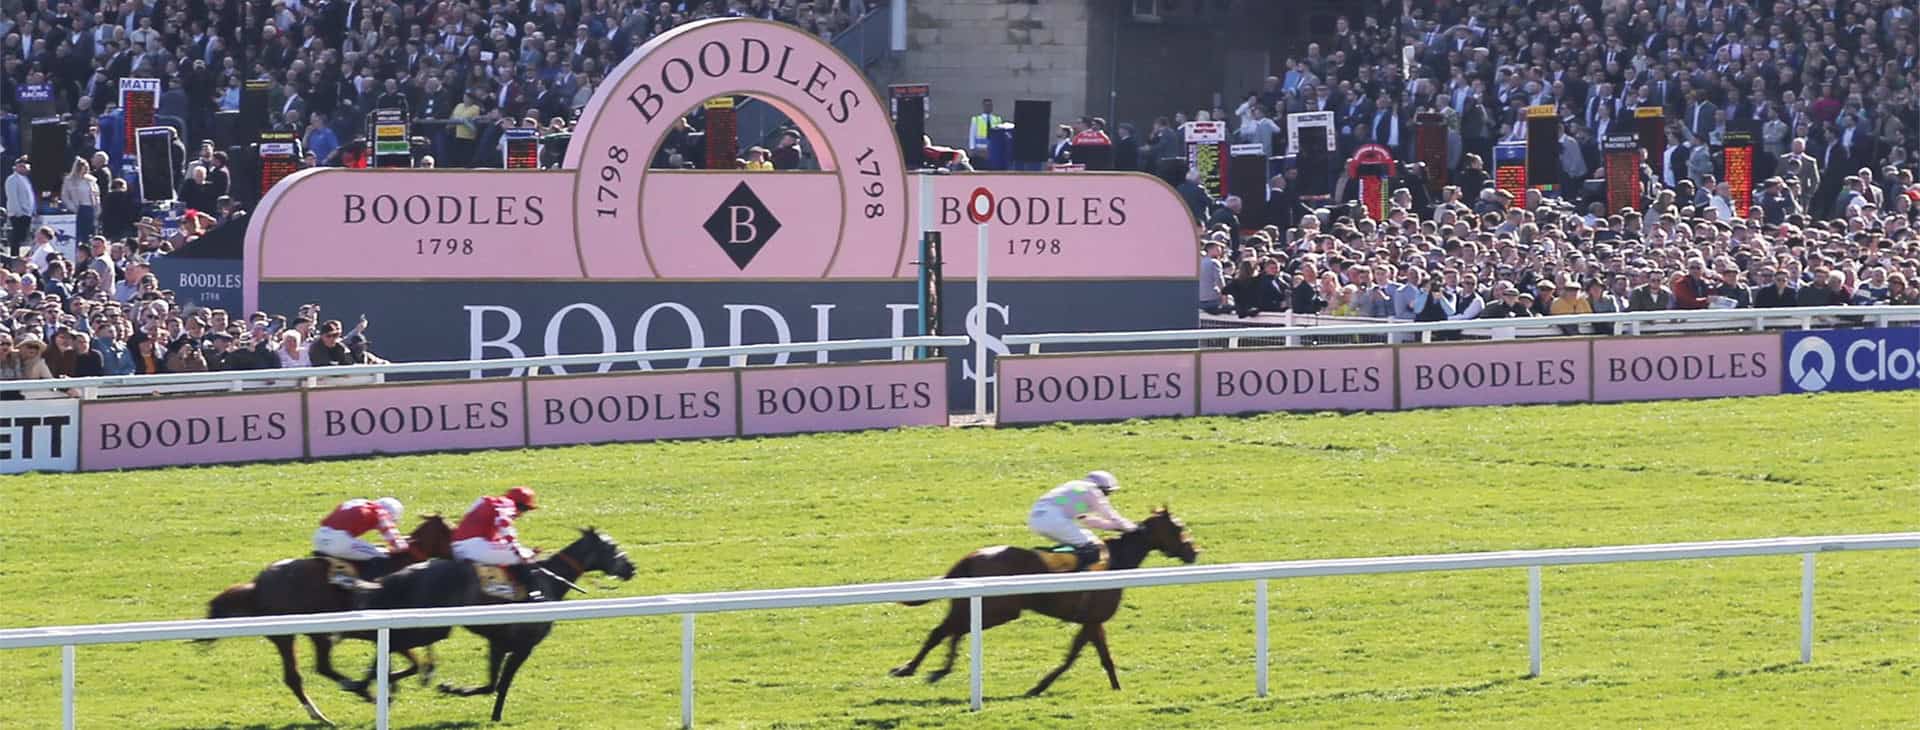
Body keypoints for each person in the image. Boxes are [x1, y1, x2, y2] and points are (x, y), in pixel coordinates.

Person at [1027, 471, 1135, 572]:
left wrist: (1118, 527)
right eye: (1108, 493)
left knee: (1084, 540)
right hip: (1054, 520)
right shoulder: (1093, 490)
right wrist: (1132, 527)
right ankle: (1079, 580)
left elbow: (1088, 520)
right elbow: (1109, 514)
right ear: (1103, 488)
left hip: (1036, 520)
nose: (1106, 496)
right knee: (1093, 548)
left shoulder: (1075, 488)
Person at [451, 486, 543, 600]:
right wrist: (519, 550)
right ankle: (535, 594)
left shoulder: (485, 501)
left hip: (457, 546)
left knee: (511, 552)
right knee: (524, 556)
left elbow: (466, 519)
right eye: (524, 510)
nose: (521, 515)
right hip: (475, 546)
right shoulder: (508, 504)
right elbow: (503, 523)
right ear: (520, 505)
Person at [313, 497, 410, 586]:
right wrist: (403, 545)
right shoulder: (381, 512)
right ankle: (367, 585)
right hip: (339, 541)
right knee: (380, 555)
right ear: (391, 514)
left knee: (367, 549)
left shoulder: (360, 503)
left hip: (319, 537)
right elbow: (399, 544)